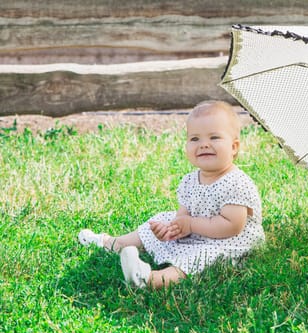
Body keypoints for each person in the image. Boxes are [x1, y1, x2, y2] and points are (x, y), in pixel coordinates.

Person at [78, 100, 264, 289]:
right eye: (194, 139)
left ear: (234, 147)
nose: (204, 145)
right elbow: (184, 213)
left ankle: (149, 279)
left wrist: (191, 224)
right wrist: (174, 229)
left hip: (229, 245)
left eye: (214, 137)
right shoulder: (190, 180)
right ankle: (114, 243)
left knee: (201, 257)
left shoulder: (236, 183)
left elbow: (232, 226)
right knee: (163, 218)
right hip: (197, 233)